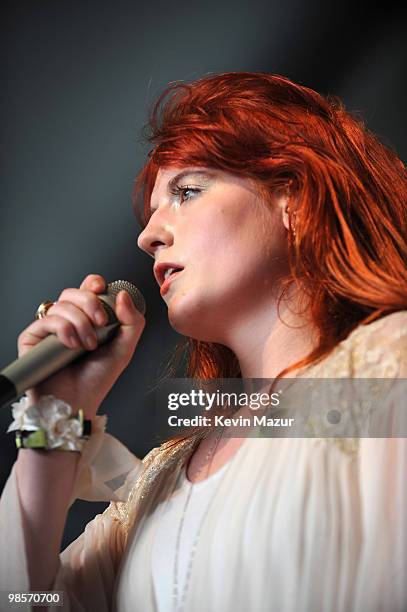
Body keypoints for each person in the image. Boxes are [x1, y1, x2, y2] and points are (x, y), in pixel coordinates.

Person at [0, 72, 406, 612]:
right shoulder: (158, 482)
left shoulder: (389, 370)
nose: (148, 236)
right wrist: (53, 421)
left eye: (187, 191)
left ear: (296, 198)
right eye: (150, 216)